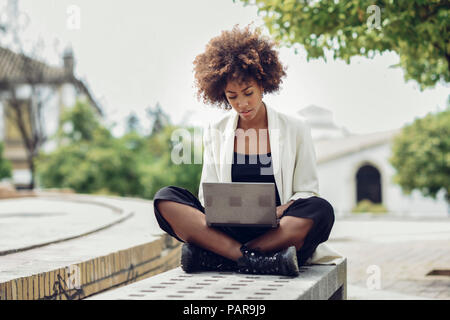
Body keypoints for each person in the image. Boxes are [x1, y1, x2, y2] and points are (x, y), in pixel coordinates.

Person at [153, 24, 340, 276]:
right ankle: (257, 259)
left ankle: (223, 257)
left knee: (320, 209)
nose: (242, 103)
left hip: (279, 229)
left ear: (263, 84)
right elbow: (208, 195)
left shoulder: (296, 128)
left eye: (248, 93)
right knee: (166, 198)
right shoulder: (217, 130)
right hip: (230, 228)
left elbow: (307, 189)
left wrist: (282, 209)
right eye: (232, 96)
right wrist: (229, 211)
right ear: (221, 95)